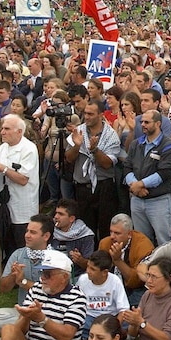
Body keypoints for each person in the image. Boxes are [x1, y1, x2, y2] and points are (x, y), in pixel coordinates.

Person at [0, 250, 87, 340]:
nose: (42, 278)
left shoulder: (77, 297)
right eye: (42, 272)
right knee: (8, 330)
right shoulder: (36, 289)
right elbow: (20, 331)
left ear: (64, 277)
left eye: (48, 274)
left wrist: (41, 319)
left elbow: (66, 337)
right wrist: (26, 316)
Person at [0, 214, 53, 335]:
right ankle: (26, 332)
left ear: (46, 236)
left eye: (33, 232)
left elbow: (50, 291)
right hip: (23, 312)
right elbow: (4, 289)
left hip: (48, 312)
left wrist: (23, 282)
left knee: (51, 322)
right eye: (27, 231)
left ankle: (19, 334)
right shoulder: (18, 254)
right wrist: (13, 276)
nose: (27, 235)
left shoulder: (56, 259)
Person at [125, 109, 171, 246]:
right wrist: (135, 186)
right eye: (142, 122)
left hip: (159, 201)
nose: (143, 124)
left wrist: (141, 184)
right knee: (141, 241)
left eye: (147, 122)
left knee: (165, 240)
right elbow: (127, 166)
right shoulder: (136, 144)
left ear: (157, 124)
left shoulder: (170, 147)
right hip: (137, 200)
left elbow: (165, 173)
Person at [65, 99, 120, 238]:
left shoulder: (111, 135)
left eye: (91, 114)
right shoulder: (79, 132)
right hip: (83, 187)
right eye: (85, 113)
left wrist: (95, 150)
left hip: (104, 187)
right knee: (85, 229)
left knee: (105, 229)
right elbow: (69, 158)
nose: (87, 117)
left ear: (101, 115)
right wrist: (77, 146)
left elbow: (108, 164)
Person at [0, 114, 40, 258]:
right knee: (7, 241)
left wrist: (3, 168)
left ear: (19, 132)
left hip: (23, 205)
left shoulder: (29, 149)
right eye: (2, 128)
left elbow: (23, 179)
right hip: (5, 203)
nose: (2, 132)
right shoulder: (3, 148)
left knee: (22, 243)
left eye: (7, 129)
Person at [98, 213, 154, 306]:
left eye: (117, 233)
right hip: (109, 287)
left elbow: (137, 282)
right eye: (111, 232)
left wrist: (118, 261)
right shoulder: (105, 243)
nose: (112, 237)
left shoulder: (143, 246)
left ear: (129, 234)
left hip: (136, 289)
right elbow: (98, 270)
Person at [75, 250, 129, 340]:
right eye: (88, 267)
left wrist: (115, 327)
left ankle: (92, 336)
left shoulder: (115, 281)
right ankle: (103, 336)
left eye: (93, 269)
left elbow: (123, 309)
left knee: (128, 322)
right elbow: (76, 303)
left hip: (110, 318)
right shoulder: (83, 280)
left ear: (104, 272)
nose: (88, 271)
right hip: (89, 317)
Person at [50, 199, 94, 277]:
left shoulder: (85, 235)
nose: (56, 217)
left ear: (71, 219)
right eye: (56, 213)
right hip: (53, 275)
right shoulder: (50, 230)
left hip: (76, 276)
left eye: (61, 214)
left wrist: (80, 260)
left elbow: (91, 266)